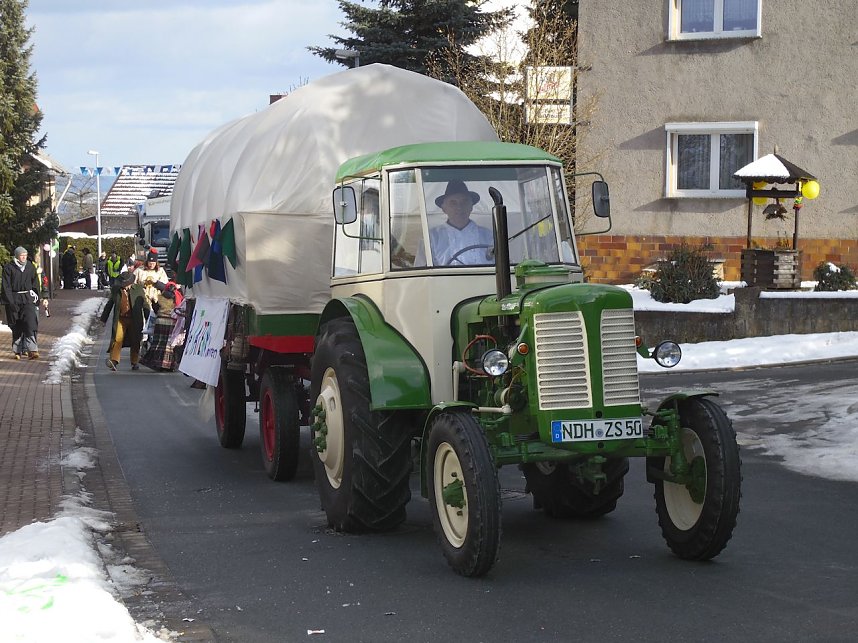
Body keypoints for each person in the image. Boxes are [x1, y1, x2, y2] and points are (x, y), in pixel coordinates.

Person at [427, 180, 494, 266]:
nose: (459, 207)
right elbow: (421, 273)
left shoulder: (489, 236)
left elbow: (503, 266)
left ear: (471, 206)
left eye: (464, 202)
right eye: (453, 203)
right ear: (444, 208)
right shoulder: (431, 238)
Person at [100, 270, 150, 371]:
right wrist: (103, 319)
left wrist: (148, 319)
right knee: (117, 338)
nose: (125, 286)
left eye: (127, 284)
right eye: (123, 284)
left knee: (135, 340)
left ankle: (134, 361)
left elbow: (145, 305)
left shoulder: (139, 289)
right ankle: (113, 361)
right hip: (120, 318)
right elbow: (110, 304)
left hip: (135, 319)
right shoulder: (116, 290)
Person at [1, 246, 41, 359]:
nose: (24, 257)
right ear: (17, 256)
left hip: (27, 298)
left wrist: (38, 297)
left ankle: (32, 350)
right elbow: (6, 286)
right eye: (21, 255)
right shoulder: (9, 268)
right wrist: (10, 301)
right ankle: (17, 351)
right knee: (16, 325)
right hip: (14, 299)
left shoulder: (30, 267)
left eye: (25, 255)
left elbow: (35, 283)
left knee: (30, 323)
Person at [139, 280, 183, 372]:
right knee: (169, 344)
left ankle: (157, 363)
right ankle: (169, 365)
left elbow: (155, 309)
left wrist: (153, 302)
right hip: (171, 322)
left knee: (159, 343)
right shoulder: (177, 298)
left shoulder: (160, 297)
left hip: (160, 321)